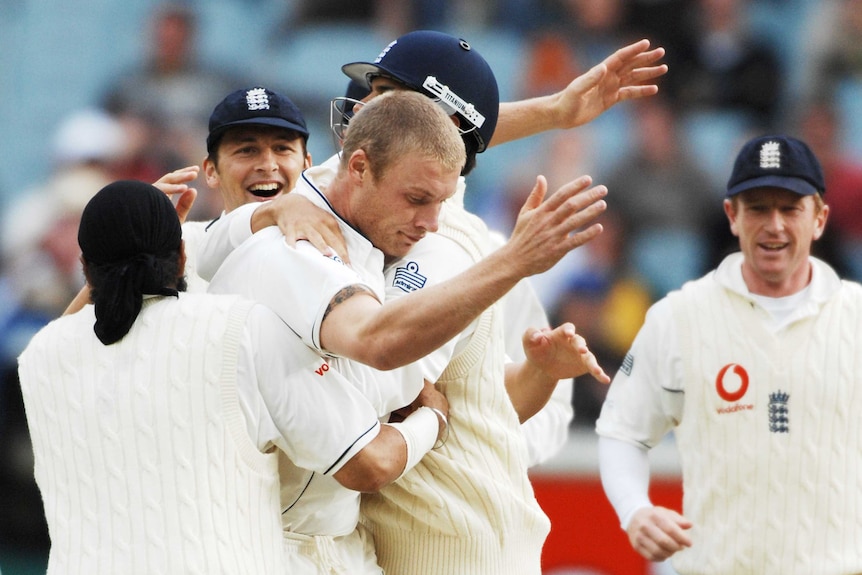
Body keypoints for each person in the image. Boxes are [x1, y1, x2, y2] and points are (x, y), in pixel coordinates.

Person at [204, 87, 608, 574]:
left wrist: (557, 111)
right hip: (283, 545)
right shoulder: (292, 248)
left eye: (440, 200)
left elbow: (470, 397)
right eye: (418, 199)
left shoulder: (380, 236)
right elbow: (379, 355)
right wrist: (513, 262)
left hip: (357, 545)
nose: (432, 223)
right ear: (355, 167)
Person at [18, 180, 448, 574]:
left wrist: (122, 230)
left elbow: (85, 324)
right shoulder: (240, 328)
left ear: (84, 268)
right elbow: (368, 464)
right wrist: (432, 418)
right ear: (183, 255)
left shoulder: (38, 357)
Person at [595, 134, 862, 574]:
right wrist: (634, 510)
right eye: (758, 207)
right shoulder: (678, 318)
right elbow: (623, 430)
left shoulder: (855, 318)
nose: (774, 224)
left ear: (819, 218)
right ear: (732, 216)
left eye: (790, 208)